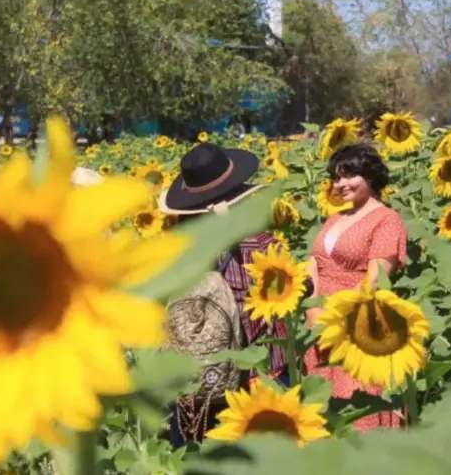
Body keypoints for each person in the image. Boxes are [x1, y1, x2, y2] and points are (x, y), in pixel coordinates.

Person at [157, 143, 291, 447]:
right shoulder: (261, 244)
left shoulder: (177, 248)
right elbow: (288, 300)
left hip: (199, 375)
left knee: (197, 453)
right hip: (260, 370)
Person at [304, 143, 408, 433]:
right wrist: (313, 310)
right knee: (322, 409)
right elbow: (314, 263)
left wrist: (335, 322)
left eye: (349, 175)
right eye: (336, 178)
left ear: (371, 176)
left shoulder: (388, 220)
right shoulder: (336, 217)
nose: (340, 184)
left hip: (356, 326)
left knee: (356, 406)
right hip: (318, 324)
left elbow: (375, 280)